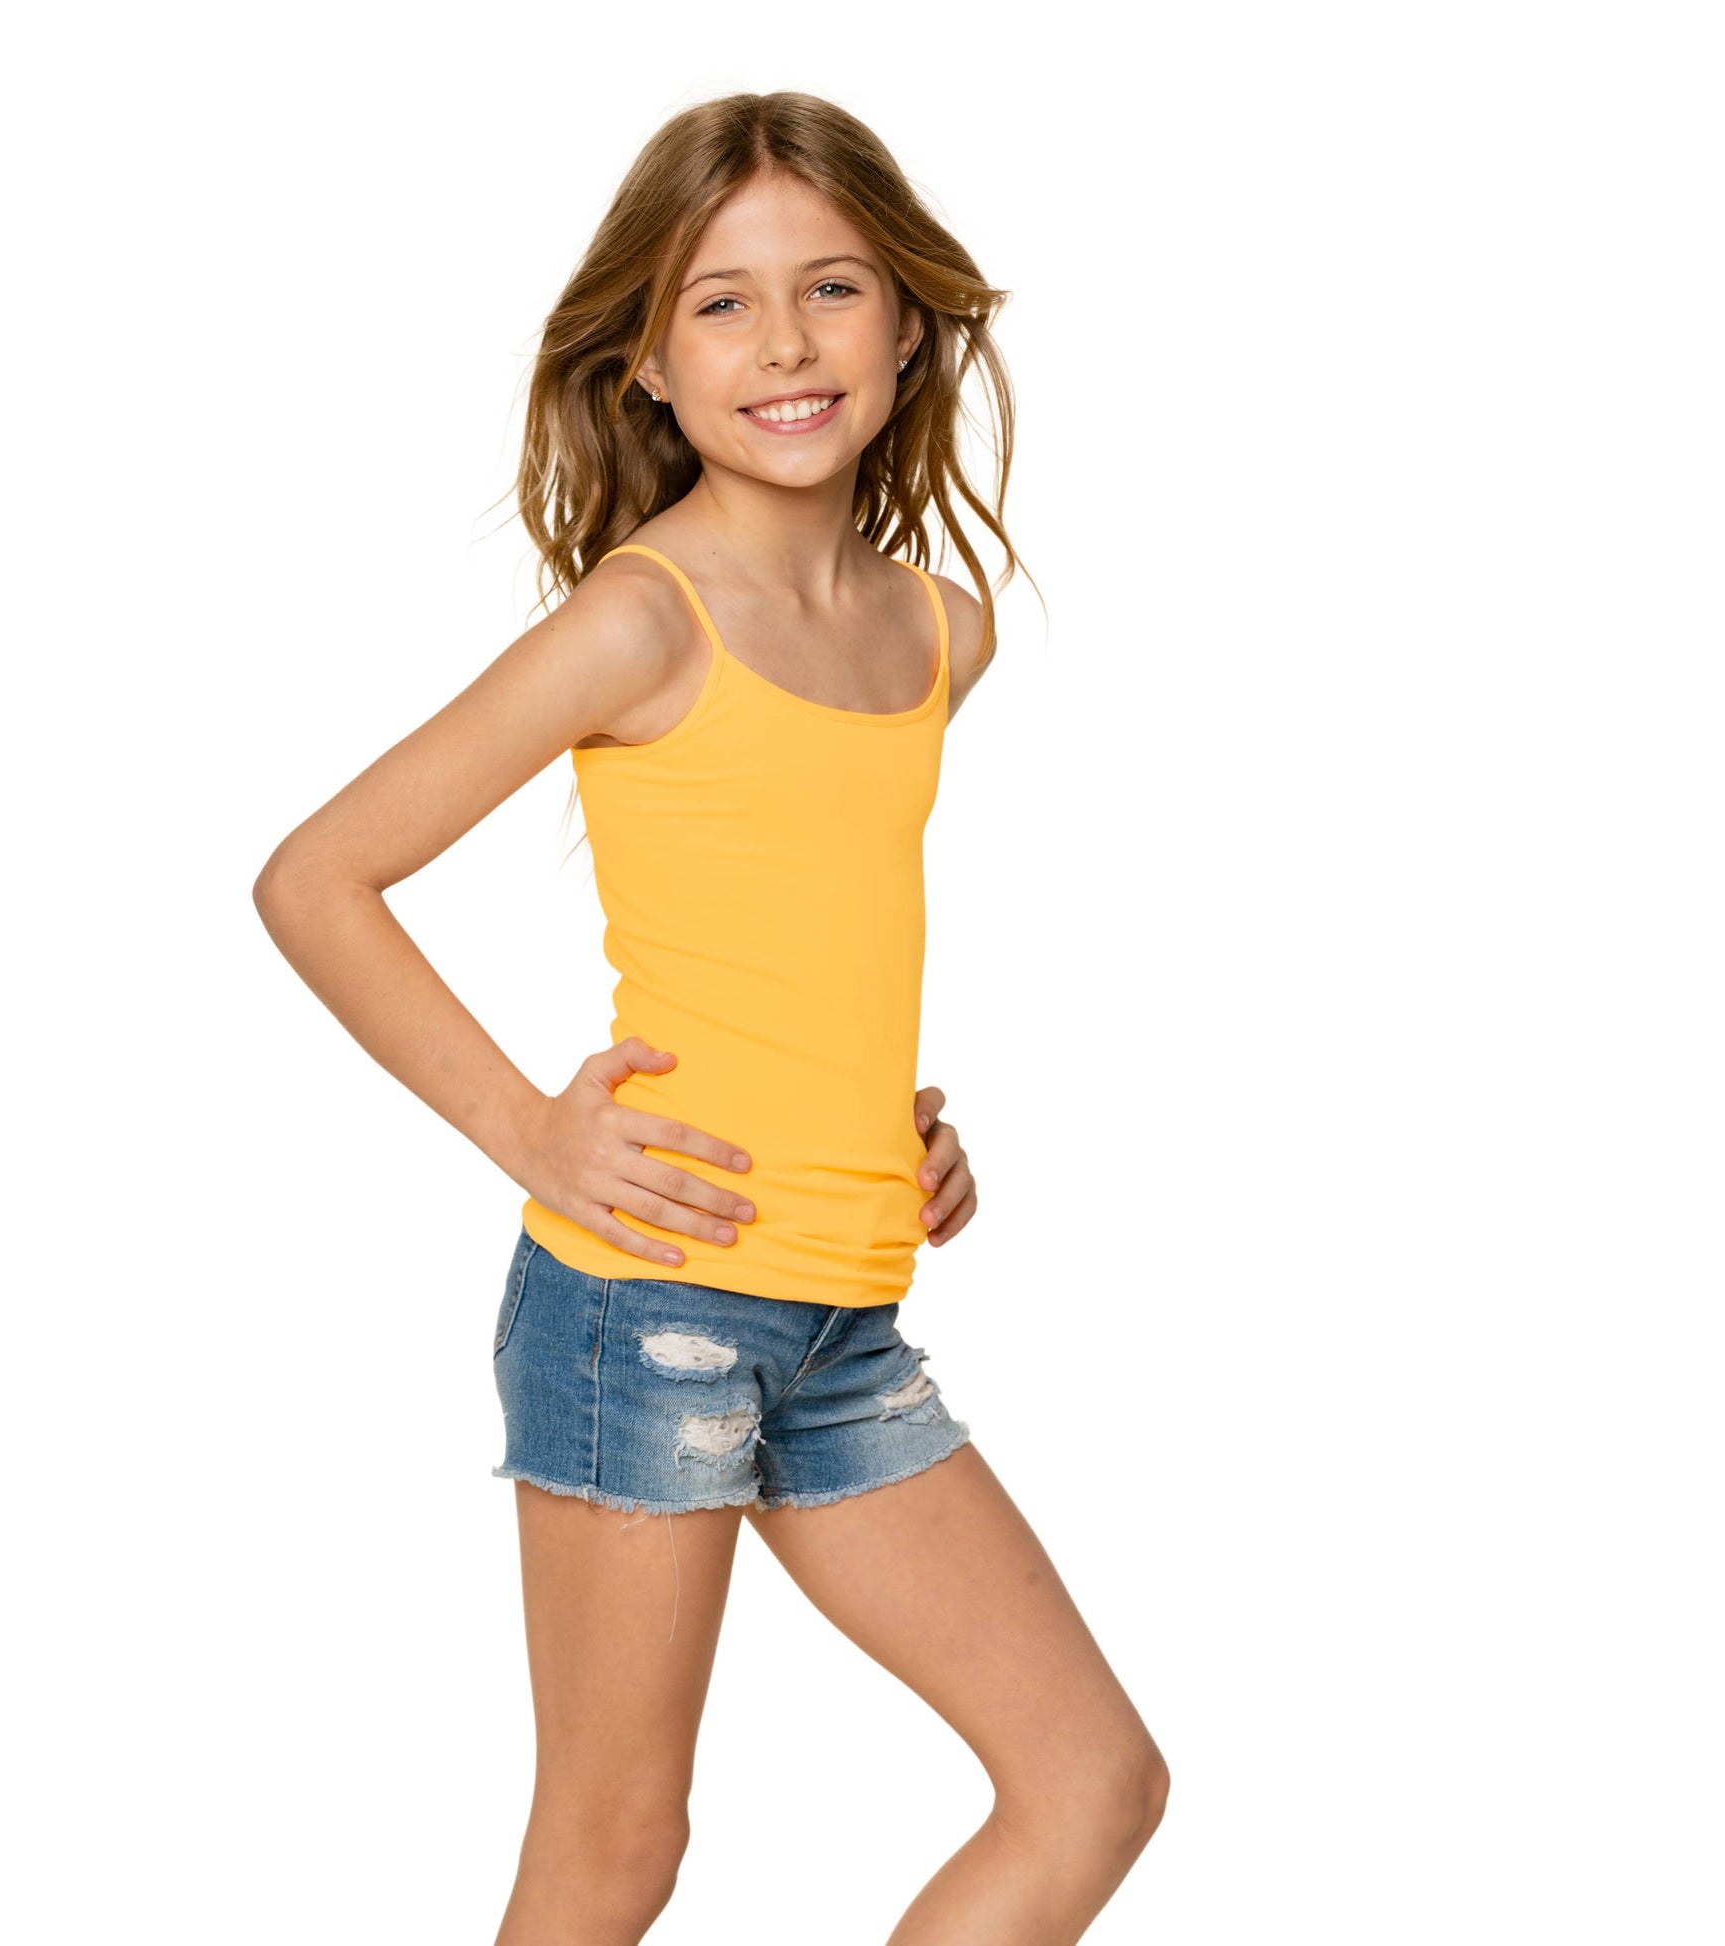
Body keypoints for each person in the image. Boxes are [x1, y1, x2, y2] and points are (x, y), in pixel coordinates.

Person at [253, 89, 1168, 1946]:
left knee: (1090, 1781)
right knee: (616, 1849)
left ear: (904, 324)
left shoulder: (940, 633)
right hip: (643, 1310)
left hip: (843, 1312)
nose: (785, 344)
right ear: (651, 364)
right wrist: (532, 1129)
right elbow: (315, 877)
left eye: (830, 288)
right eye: (722, 303)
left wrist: (890, 1119)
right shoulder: (641, 620)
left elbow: (797, 924)